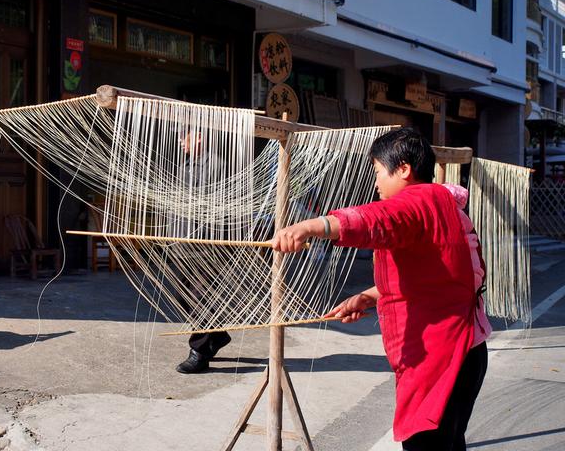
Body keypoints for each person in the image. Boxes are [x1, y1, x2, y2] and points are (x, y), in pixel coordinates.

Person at [271, 127, 489, 451]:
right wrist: (371, 296)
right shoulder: (443, 206)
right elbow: (442, 280)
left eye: (377, 172)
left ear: (403, 169)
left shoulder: (417, 202)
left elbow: (372, 221)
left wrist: (310, 226)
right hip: (465, 350)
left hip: (444, 356)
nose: (376, 184)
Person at [174, 129, 231, 374]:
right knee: (182, 296)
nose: (179, 142)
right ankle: (216, 335)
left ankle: (199, 351)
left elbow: (219, 203)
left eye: (183, 137)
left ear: (199, 137)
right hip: (182, 240)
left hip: (207, 243)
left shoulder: (218, 165)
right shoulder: (183, 165)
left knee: (201, 297)